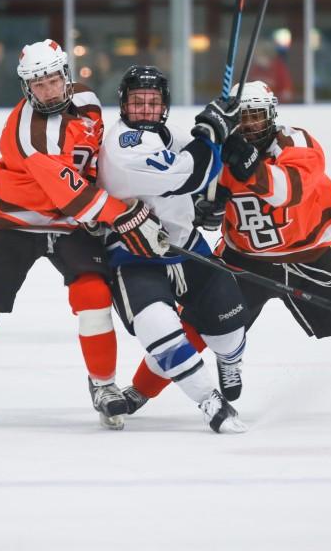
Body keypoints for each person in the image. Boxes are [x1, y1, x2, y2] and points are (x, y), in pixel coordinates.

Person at [124, 81, 331, 414]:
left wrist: (247, 164)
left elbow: (285, 191)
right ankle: (138, 391)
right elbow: (197, 202)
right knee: (195, 326)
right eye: (243, 117)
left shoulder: (298, 142)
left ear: (272, 115)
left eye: (257, 116)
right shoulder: (220, 153)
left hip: (311, 256)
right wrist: (206, 207)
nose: (250, 124)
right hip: (242, 259)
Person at [0, 40, 169, 431]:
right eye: (38, 84)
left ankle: (104, 385)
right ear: (26, 87)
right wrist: (125, 215)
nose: (48, 89)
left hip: (69, 222)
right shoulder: (31, 136)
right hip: (16, 221)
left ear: (66, 76)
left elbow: (97, 164)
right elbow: (72, 194)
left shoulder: (88, 101)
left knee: (93, 295)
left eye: (54, 79)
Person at [96, 65, 248, 433]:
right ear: (123, 105)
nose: (146, 109)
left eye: (153, 102)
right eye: (137, 102)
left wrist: (224, 143)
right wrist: (210, 133)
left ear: (164, 106)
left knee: (229, 319)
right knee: (159, 328)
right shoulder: (124, 147)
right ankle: (209, 400)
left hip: (185, 244)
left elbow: (205, 166)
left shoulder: (167, 134)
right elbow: (188, 173)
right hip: (133, 256)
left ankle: (229, 359)